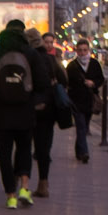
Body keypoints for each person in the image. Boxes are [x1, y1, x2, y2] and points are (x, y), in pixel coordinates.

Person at [0, 20, 45, 209]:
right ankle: (25, 188)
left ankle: (10, 195)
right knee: (25, 149)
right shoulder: (31, 53)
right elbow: (42, 82)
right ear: (23, 32)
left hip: (0, 111)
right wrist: (33, 100)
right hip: (24, 111)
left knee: (4, 154)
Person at [29, 29, 68, 197]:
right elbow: (64, 80)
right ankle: (43, 183)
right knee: (44, 147)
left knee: (24, 144)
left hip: (30, 107)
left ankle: (20, 180)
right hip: (49, 108)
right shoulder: (51, 59)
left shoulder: (27, 59)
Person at [67, 40, 105, 163]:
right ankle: (84, 152)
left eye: (85, 50)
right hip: (76, 101)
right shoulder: (72, 66)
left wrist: (93, 83)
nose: (82, 53)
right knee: (81, 126)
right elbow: (68, 83)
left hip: (89, 101)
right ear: (76, 51)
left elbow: (101, 79)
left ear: (88, 50)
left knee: (84, 126)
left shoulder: (94, 64)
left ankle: (79, 150)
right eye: (80, 50)